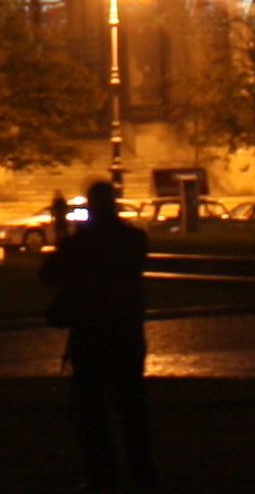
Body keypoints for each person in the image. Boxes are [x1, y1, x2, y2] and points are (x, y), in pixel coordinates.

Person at [40, 173, 157, 488]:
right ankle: (142, 474)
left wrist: (65, 236)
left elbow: (49, 275)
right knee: (132, 408)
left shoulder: (81, 245)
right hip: (126, 333)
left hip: (91, 334)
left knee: (93, 412)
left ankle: (102, 476)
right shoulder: (132, 240)